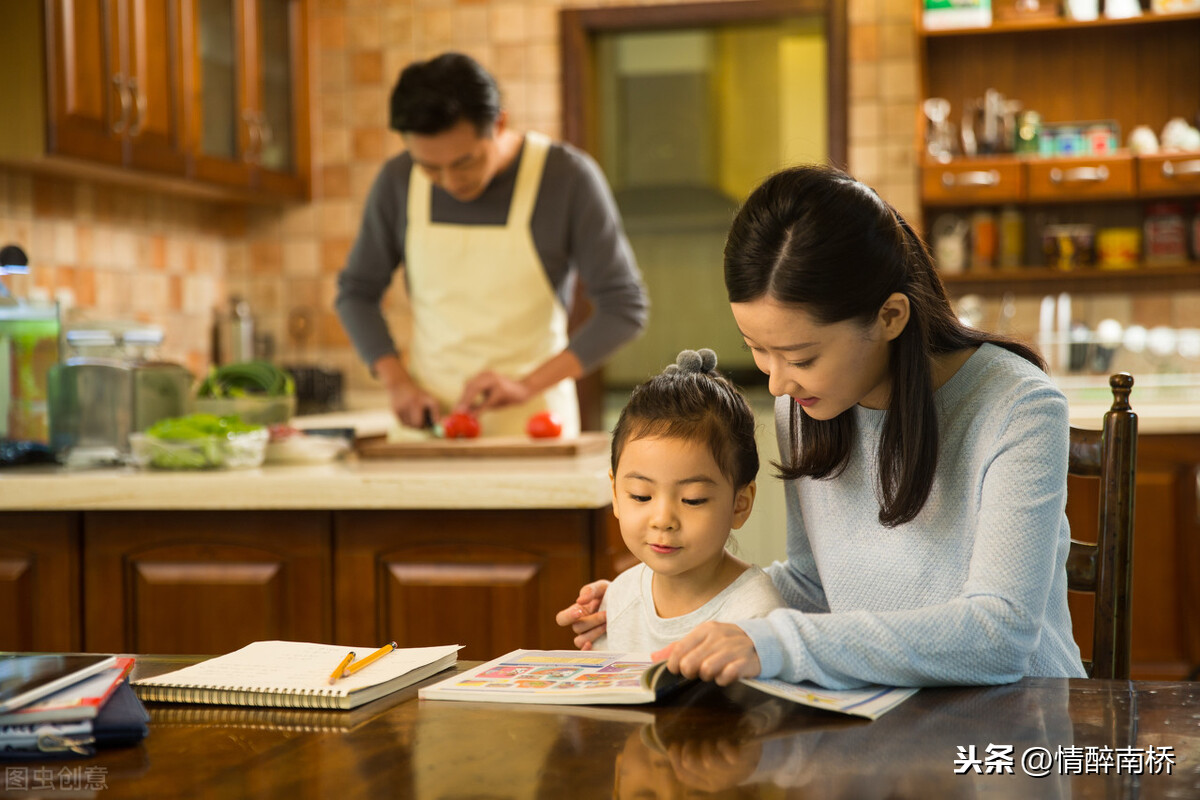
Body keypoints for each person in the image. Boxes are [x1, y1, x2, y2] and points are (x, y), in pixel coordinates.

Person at [557, 164, 1087, 689]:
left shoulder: (1018, 407)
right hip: (877, 719)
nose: (777, 384)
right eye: (758, 350)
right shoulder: (805, 402)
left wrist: (774, 643)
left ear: (890, 317)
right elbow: (812, 585)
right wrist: (662, 599)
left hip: (1012, 725)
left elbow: (1000, 636)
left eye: (801, 356)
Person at [336, 52, 648, 436]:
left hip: (536, 428)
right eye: (430, 167)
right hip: (432, 430)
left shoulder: (567, 178)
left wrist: (526, 386)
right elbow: (355, 293)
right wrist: (397, 382)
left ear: (499, 123)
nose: (449, 182)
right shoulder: (397, 180)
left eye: (464, 163)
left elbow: (624, 308)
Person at [595, 348, 784, 653]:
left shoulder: (756, 615)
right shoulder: (618, 597)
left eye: (692, 500)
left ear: (740, 504)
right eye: (641, 496)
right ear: (615, 494)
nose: (663, 519)